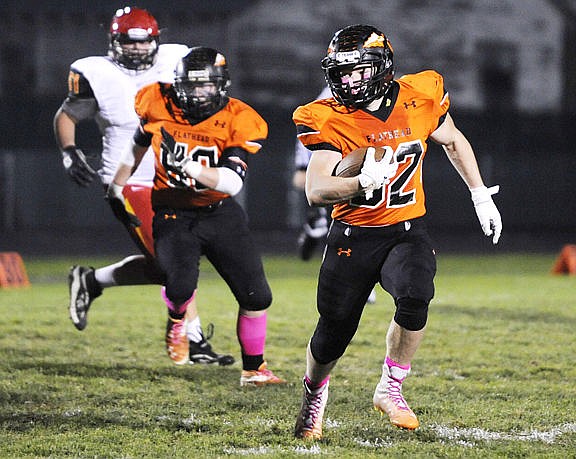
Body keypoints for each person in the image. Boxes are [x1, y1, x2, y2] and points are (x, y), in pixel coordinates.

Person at [292, 24, 502, 439]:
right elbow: (316, 190)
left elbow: (453, 140)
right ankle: (314, 393)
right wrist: (360, 183)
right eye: (341, 73)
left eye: (358, 72)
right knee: (333, 330)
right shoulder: (325, 116)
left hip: (406, 229)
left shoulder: (420, 95)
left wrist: (480, 194)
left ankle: (390, 387)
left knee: (416, 293)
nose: (348, 81)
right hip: (352, 234)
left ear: (383, 67)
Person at [53, 6, 233, 366]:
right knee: (177, 262)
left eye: (143, 43)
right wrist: (70, 153)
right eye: (127, 43)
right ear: (113, 42)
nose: (136, 50)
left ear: (156, 40)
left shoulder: (177, 59)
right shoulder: (95, 72)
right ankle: (193, 340)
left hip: (178, 178)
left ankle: (91, 281)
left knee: (167, 264)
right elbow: (67, 115)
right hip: (130, 182)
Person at [108, 46, 286, 386]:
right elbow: (138, 142)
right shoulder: (157, 102)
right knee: (179, 285)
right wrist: (117, 185)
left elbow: (232, 183)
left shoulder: (239, 118)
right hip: (173, 210)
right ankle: (177, 320)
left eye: (204, 85)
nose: (195, 92)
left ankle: (254, 369)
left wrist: (189, 166)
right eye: (189, 85)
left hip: (219, 211)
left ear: (221, 85)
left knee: (257, 296)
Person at [293, 86, 377, 304]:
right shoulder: (329, 102)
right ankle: (319, 223)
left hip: (353, 151)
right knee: (350, 217)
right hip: (329, 147)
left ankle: (318, 224)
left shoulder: (366, 89)